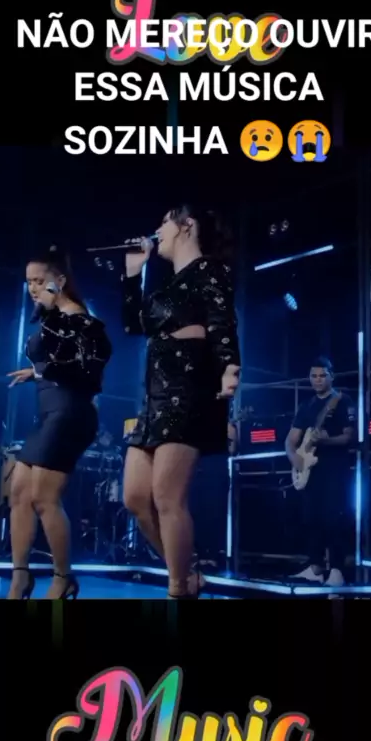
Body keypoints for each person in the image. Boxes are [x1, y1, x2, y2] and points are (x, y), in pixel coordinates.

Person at [121, 205, 241, 598]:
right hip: (154, 395)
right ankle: (186, 575)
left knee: (167, 496)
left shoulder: (210, 270)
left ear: (186, 226)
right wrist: (133, 274)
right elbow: (132, 324)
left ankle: (178, 589)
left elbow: (222, 319)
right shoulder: (167, 286)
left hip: (189, 387)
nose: (157, 229)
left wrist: (229, 367)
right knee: (135, 497)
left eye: (164, 222)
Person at [6, 246, 112, 599]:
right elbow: (52, 360)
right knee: (19, 492)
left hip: (70, 414)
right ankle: (20, 577)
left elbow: (85, 369)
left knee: (43, 497)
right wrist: (35, 372)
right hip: (50, 413)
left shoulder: (78, 318)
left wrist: (43, 369)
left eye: (40, 281)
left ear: (60, 281)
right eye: (29, 282)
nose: (33, 288)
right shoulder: (54, 319)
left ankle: (62, 578)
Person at [285, 356, 356, 587]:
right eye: (313, 376)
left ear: (331, 376)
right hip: (310, 471)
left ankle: (336, 570)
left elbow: (348, 437)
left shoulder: (342, 401)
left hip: (335, 468)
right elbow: (291, 440)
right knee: (311, 517)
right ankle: (315, 567)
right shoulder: (306, 406)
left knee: (334, 518)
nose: (317, 380)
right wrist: (294, 458)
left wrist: (327, 441)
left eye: (322, 375)